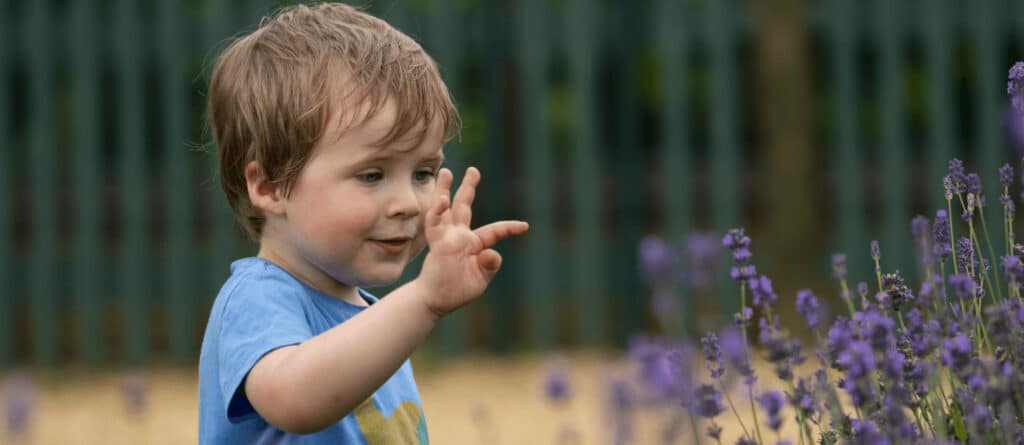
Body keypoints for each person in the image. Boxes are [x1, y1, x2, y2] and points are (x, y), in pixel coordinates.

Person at [197, 3, 529, 443]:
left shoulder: (374, 317)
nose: (408, 203)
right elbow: (296, 399)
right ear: (271, 186)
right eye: (372, 175)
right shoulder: (257, 300)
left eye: (423, 173)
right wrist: (424, 300)